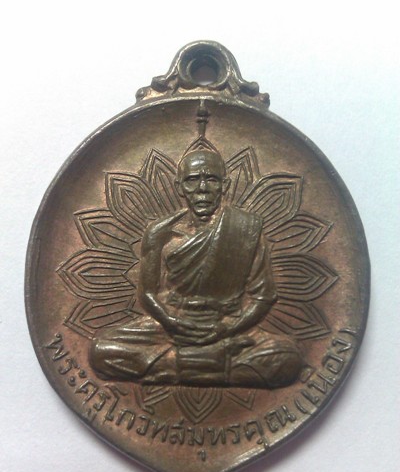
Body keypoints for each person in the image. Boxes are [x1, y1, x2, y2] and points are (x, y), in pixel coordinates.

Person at [89, 148, 303, 388]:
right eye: (192, 180)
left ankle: (174, 365)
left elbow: (264, 296)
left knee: (288, 359)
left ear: (225, 185)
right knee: (101, 351)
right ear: (180, 187)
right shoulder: (159, 232)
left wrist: (226, 328)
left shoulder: (246, 228)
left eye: (211, 179)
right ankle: (216, 364)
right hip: (173, 327)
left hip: (228, 326)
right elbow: (147, 293)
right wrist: (171, 321)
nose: (202, 188)